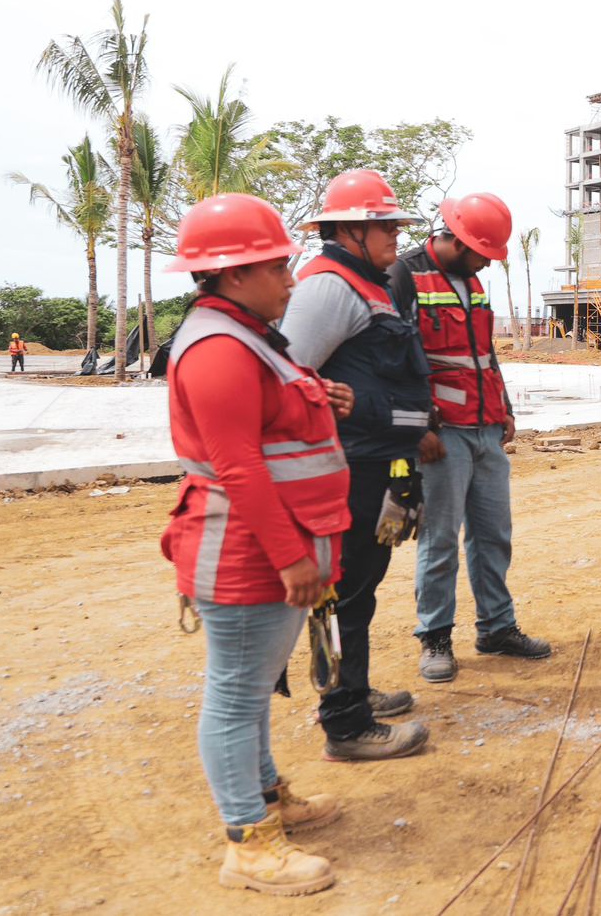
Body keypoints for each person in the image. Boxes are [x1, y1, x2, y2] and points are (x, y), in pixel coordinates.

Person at [161, 194, 354, 896]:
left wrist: (326, 400)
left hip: (267, 547)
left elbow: (274, 427)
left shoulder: (247, 334)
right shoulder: (218, 347)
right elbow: (238, 466)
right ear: (236, 273)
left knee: (249, 691)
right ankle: (248, 841)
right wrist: (291, 558)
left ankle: (270, 800)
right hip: (246, 553)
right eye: (279, 267)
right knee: (237, 695)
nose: (292, 279)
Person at [279, 170, 432, 762]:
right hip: (351, 468)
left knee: (360, 590)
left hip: (383, 464)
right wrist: (352, 406)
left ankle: (355, 692)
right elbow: (289, 377)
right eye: (383, 225)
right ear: (348, 230)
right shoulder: (327, 288)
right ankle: (345, 723)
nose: (396, 234)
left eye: (394, 223)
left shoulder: (369, 284)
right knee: (341, 595)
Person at [390, 193, 549, 682]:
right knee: (440, 541)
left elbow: (484, 354)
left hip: (484, 428)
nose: (486, 261)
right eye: (482, 251)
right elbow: (391, 359)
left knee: (493, 535)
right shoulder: (404, 277)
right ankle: (435, 637)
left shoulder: (472, 281)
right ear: (455, 240)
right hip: (441, 435)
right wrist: (415, 428)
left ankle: (496, 628)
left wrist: (503, 409)